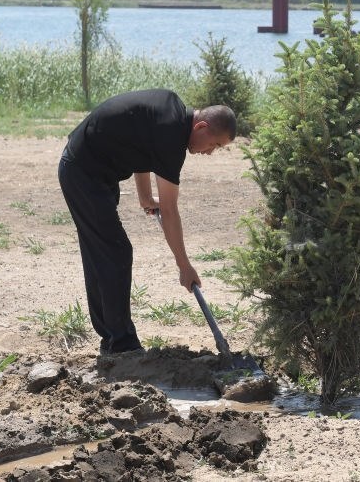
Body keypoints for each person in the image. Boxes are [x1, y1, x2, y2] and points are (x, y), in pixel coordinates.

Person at [58, 89, 236, 355]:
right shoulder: (172, 136)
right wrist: (184, 266)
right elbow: (170, 210)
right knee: (114, 252)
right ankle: (121, 345)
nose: (210, 152)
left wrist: (144, 196)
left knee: (102, 252)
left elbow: (142, 148)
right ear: (201, 127)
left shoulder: (170, 112)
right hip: (83, 171)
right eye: (215, 145)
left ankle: (111, 339)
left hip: (93, 169)